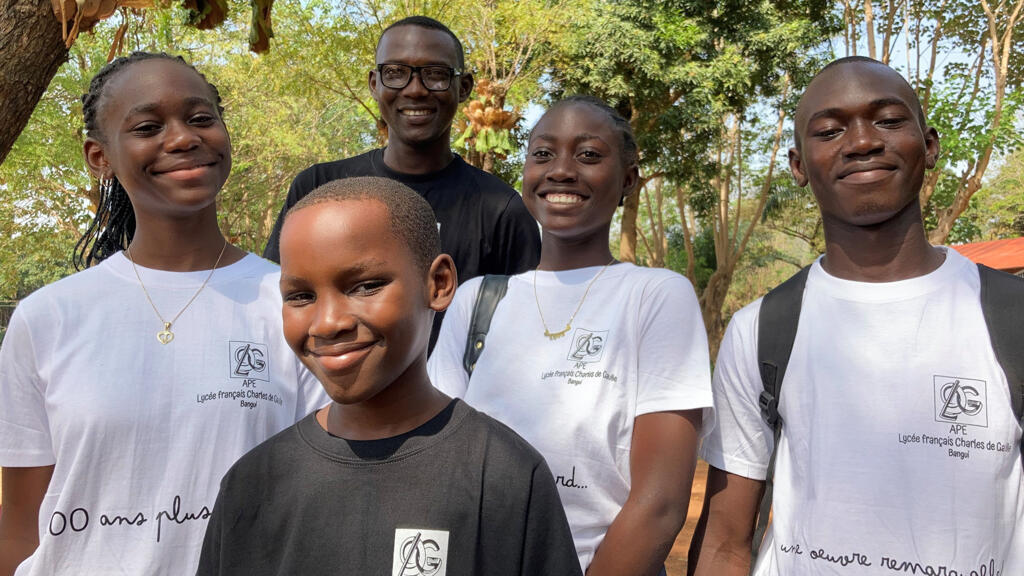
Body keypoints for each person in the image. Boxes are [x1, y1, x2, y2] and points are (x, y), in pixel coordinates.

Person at [689, 57, 1023, 576]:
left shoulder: (1011, 317)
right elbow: (724, 545)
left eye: (889, 120)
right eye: (829, 130)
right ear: (799, 166)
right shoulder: (760, 330)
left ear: (929, 146)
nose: (863, 141)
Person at [0, 52, 327, 576]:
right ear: (98, 156)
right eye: (148, 126)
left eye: (201, 119)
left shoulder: (292, 302)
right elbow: (19, 524)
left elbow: (320, 498)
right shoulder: (47, 318)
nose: (182, 139)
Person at [196, 176, 580, 576]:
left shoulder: (505, 475)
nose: (327, 323)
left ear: (439, 283)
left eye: (365, 286)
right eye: (301, 296)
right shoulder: (253, 483)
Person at [428, 96, 712, 575]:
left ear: (628, 179)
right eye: (542, 154)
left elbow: (659, 504)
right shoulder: (476, 300)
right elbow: (438, 465)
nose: (561, 170)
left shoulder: (655, 296)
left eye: (588, 155)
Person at [261, 16, 541, 348]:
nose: (415, 89)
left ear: (463, 87)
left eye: (436, 74)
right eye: (395, 73)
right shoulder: (320, 187)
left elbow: (525, 334)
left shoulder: (500, 210)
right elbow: (280, 305)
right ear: (374, 83)